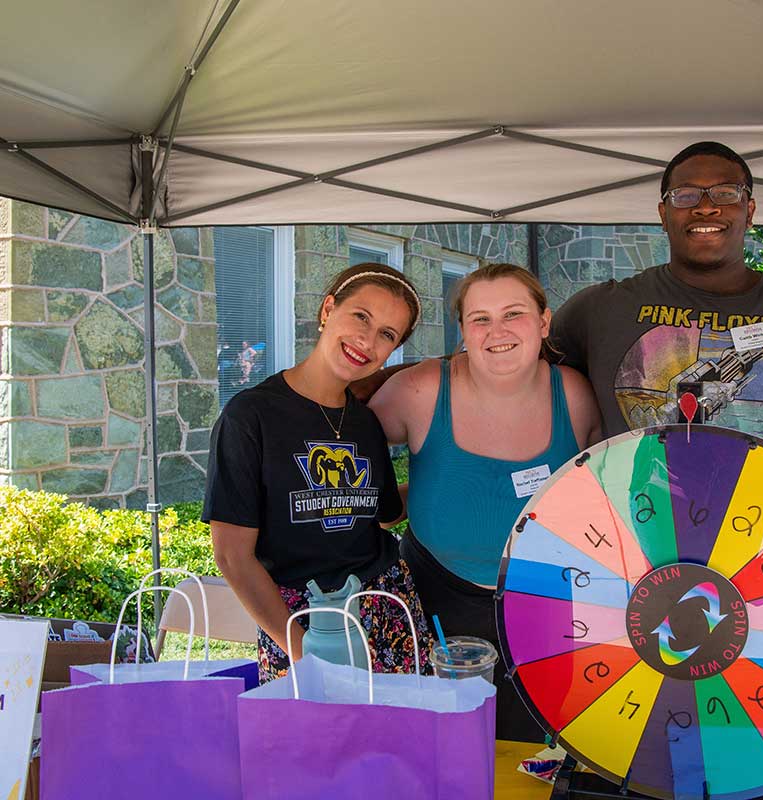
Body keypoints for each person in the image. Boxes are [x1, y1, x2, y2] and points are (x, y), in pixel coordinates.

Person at [550, 141, 763, 578]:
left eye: (726, 194)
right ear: (663, 214)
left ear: (750, 210)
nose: (706, 208)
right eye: (687, 195)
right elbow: (523, 396)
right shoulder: (595, 312)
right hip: (624, 565)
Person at [368, 262, 601, 741]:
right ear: (462, 331)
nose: (497, 331)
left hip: (543, 602)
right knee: (437, 747)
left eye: (513, 314)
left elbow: (598, 494)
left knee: (533, 750)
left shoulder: (574, 395)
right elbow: (341, 450)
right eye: (480, 318)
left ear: (543, 322)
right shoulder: (421, 389)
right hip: (434, 598)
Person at [205, 264, 435, 683]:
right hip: (298, 620)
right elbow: (232, 556)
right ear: (328, 309)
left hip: (387, 608)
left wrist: (441, 476)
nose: (367, 340)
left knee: (403, 741)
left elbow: (384, 514)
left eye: (388, 334)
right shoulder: (251, 416)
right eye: (361, 316)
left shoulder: (365, 422)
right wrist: (303, 650)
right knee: (311, 746)